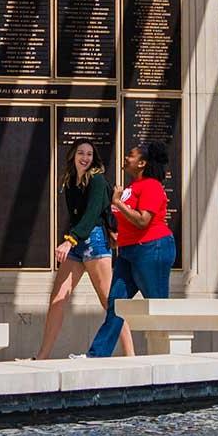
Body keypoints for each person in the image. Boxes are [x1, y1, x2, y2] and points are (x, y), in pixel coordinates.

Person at [89, 141, 176, 358]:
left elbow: (143, 221)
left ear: (142, 163)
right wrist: (114, 232)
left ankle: (168, 354)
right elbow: (127, 220)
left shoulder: (152, 186)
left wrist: (118, 203)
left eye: (131, 155)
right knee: (116, 304)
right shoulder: (131, 188)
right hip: (128, 252)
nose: (126, 158)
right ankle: (97, 355)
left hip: (152, 249)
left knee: (156, 304)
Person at [35, 142, 117, 359]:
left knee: (109, 302)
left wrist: (69, 240)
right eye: (81, 152)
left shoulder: (97, 180)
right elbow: (76, 216)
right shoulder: (70, 181)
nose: (85, 157)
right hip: (77, 241)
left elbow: (91, 215)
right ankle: (42, 356)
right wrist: (72, 240)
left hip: (95, 241)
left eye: (89, 154)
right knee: (57, 298)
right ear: (73, 155)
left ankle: (131, 355)